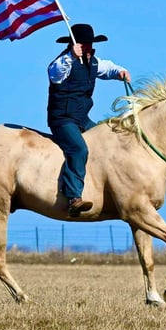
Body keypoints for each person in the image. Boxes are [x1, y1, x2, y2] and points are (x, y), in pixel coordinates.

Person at [47, 23, 131, 217]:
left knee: (107, 140)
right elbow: (56, 75)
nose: (88, 48)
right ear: (74, 44)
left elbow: (107, 68)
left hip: (82, 119)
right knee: (79, 148)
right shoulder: (62, 62)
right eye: (83, 44)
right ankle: (73, 197)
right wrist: (71, 56)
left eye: (89, 44)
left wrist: (120, 72)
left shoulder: (93, 62)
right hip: (62, 119)